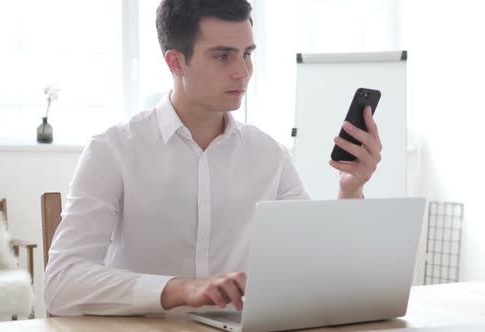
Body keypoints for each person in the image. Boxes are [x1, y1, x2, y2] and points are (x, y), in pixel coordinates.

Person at [44, 0, 382, 316]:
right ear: (176, 62)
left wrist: (350, 191)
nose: (242, 72)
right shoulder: (112, 150)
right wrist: (180, 289)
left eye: (247, 54)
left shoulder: (270, 155)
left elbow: (315, 264)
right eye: (222, 56)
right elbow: (62, 283)